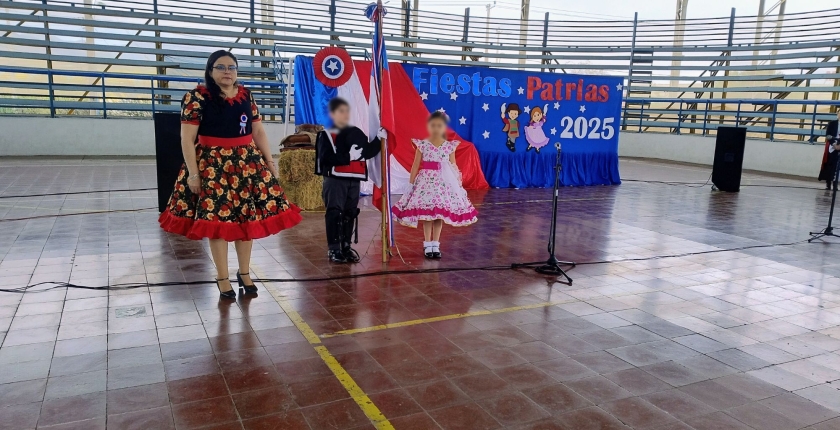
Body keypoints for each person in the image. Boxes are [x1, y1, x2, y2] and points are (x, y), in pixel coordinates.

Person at [159, 50, 302, 298]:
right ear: (210, 70)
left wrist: (269, 161)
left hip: (247, 165)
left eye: (232, 67)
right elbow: (187, 138)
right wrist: (194, 174)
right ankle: (222, 276)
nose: (227, 72)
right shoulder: (196, 98)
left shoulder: (246, 95)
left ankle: (244, 273)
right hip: (213, 167)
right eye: (221, 67)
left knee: (247, 219)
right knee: (218, 223)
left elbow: (258, 131)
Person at [391, 112, 478, 259]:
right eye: (433, 125)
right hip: (426, 183)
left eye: (439, 125)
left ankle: (436, 244)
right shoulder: (423, 145)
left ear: (444, 127)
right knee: (427, 215)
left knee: (439, 215)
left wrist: (458, 185)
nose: (436, 128)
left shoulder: (449, 147)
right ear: (429, 127)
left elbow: (453, 166)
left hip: (443, 184)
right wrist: (411, 184)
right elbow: (415, 165)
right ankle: (427, 244)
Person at [315, 97, 385, 263]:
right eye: (340, 111)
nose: (344, 114)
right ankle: (334, 249)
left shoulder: (356, 132)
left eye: (346, 111)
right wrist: (348, 157)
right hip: (335, 179)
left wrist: (378, 140)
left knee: (350, 213)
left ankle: (345, 246)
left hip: (355, 179)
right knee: (335, 213)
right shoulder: (327, 135)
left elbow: (367, 152)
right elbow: (325, 158)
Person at [820, 110, 840, 190]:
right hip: (833, 145)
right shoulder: (832, 123)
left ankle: (836, 183)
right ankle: (828, 183)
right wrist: (834, 144)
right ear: (837, 114)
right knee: (830, 164)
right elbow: (828, 135)